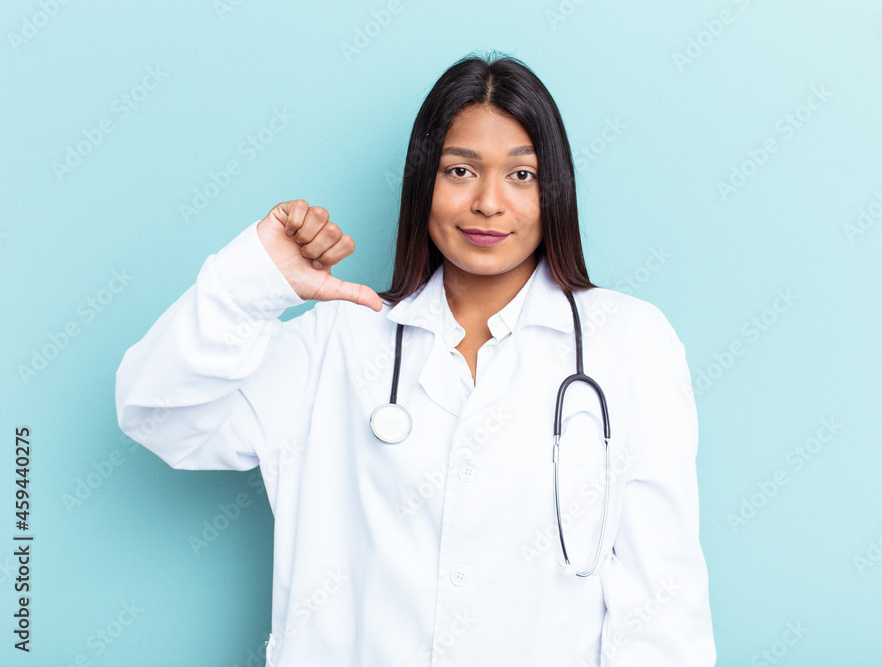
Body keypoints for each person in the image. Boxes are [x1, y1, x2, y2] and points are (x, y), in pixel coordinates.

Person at [116, 52, 716, 666]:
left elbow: (662, 598)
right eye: (460, 170)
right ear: (421, 181)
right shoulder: (338, 342)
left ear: (554, 190)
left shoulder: (629, 341)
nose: (488, 203)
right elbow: (160, 417)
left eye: (522, 175)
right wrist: (254, 283)